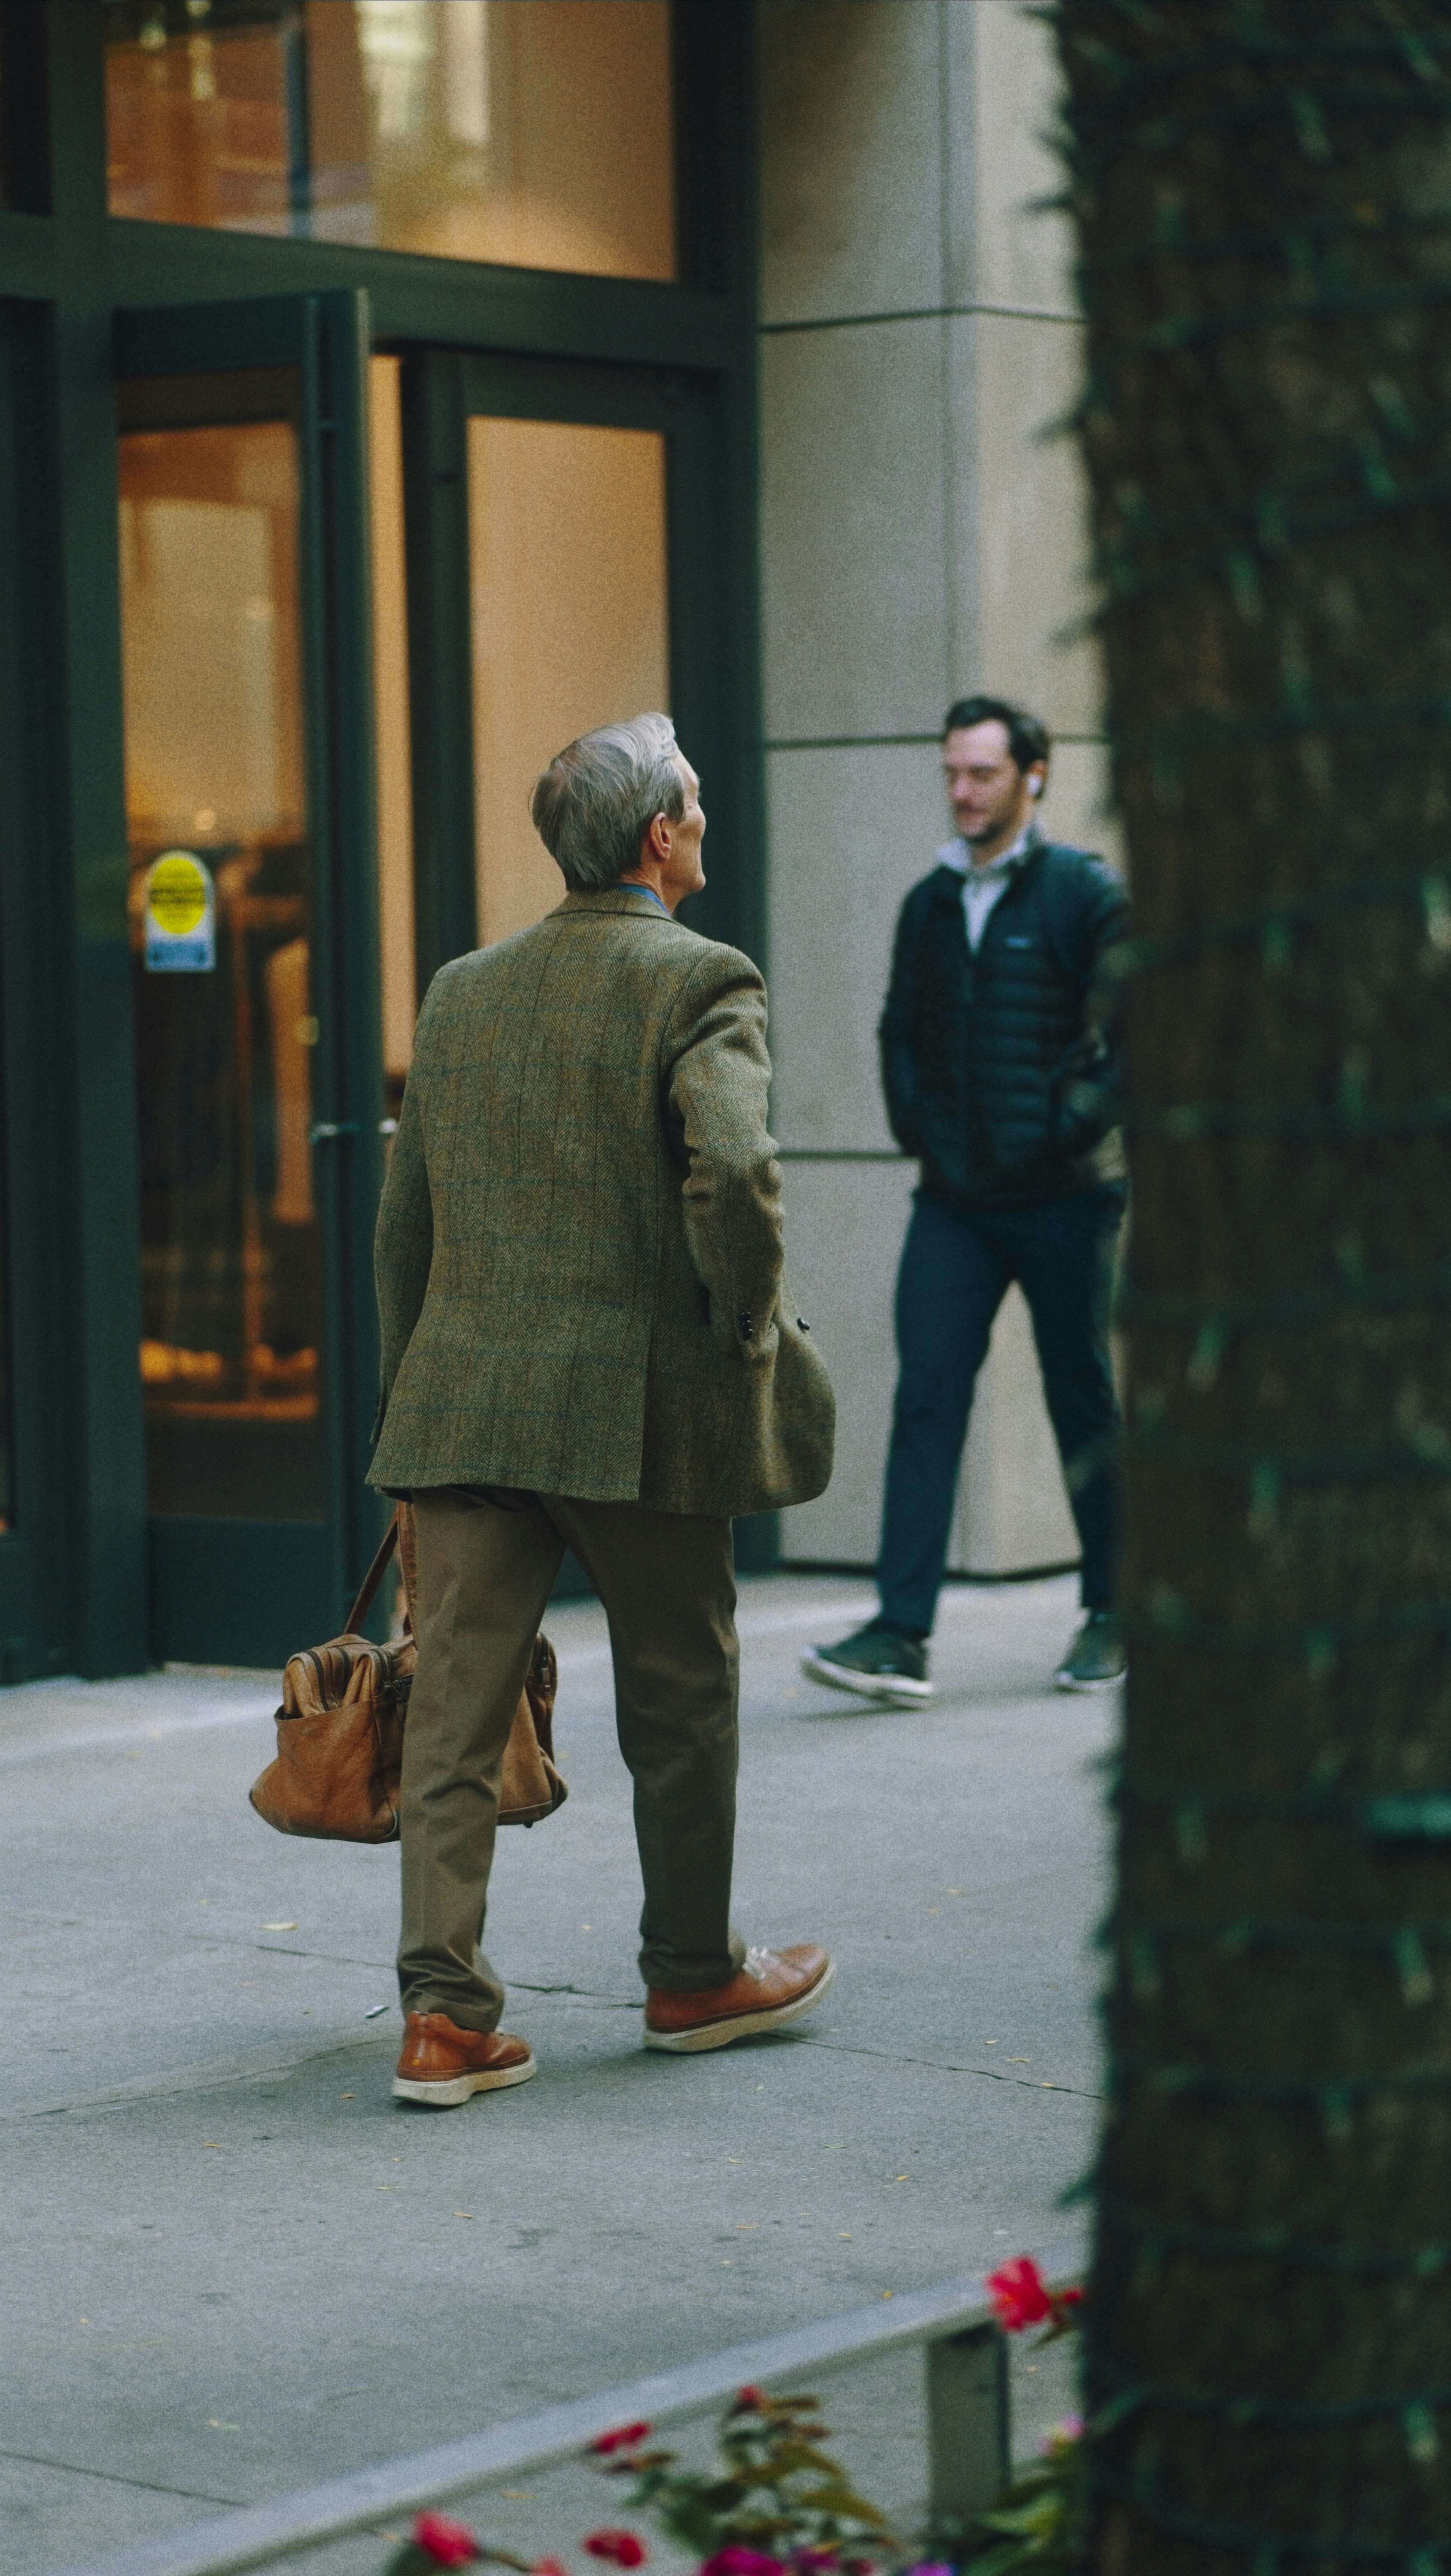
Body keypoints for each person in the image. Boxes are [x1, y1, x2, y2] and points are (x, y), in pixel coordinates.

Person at [372, 712, 837, 2108]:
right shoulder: (700, 978)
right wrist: (744, 1326)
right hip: (635, 1417)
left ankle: (443, 2022)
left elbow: (405, 1228)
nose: (701, 822)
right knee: (681, 1701)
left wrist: (411, 1416)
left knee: (451, 1719)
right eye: (691, 805)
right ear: (661, 839)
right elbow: (741, 1171)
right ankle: (693, 1974)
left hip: (464, 1407)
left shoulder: (462, 989)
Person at [804, 696, 1128, 1709]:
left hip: (1065, 1198)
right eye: (951, 772)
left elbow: (1135, 1032)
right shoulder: (929, 901)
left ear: (1032, 775)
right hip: (953, 1198)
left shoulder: (1082, 893)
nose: (961, 791)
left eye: (981, 773)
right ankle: (899, 1634)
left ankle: (1111, 1611)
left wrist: (1062, 1125)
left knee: (1080, 1396)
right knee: (926, 1393)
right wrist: (918, 1126)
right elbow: (898, 1027)